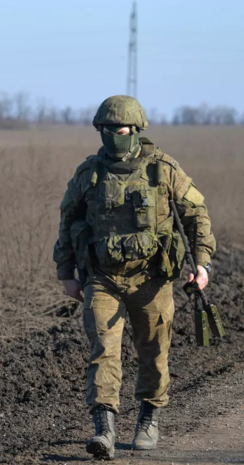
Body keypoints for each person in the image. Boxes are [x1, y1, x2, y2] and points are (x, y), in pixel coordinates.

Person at [52, 95, 215, 460]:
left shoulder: (163, 169)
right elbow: (67, 222)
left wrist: (201, 263)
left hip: (151, 279)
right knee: (104, 352)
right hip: (102, 278)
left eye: (120, 129)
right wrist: (66, 273)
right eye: (106, 129)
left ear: (136, 130)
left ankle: (149, 417)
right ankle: (104, 428)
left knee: (153, 352)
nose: (113, 135)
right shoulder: (89, 174)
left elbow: (196, 215)